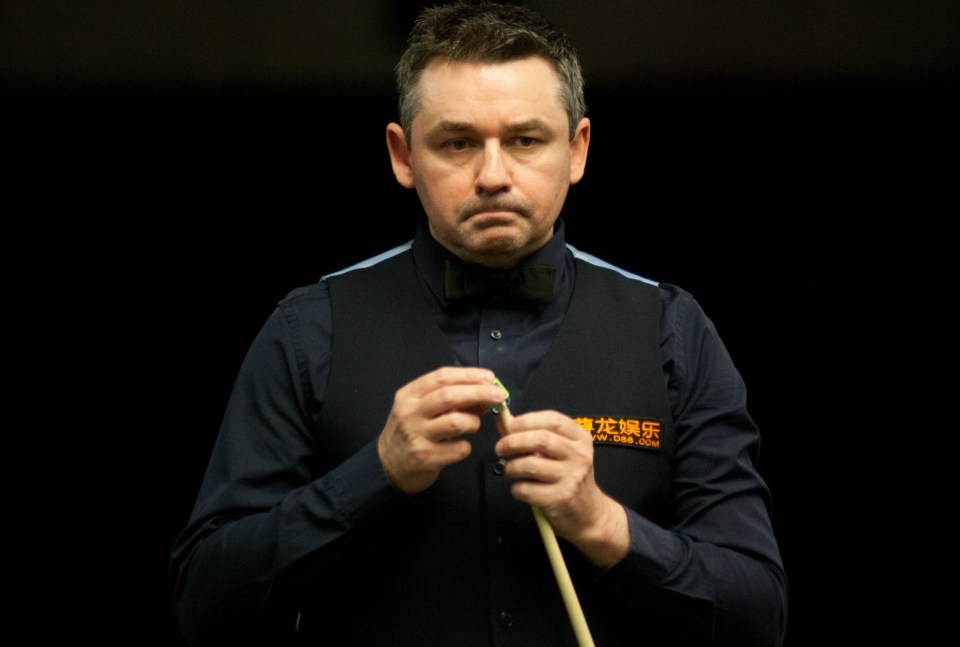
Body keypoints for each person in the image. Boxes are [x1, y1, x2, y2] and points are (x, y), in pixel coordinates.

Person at [169, 2, 788, 645]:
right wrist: (374, 475)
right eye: (458, 142)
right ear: (403, 155)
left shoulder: (672, 330)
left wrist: (603, 524)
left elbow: (759, 617)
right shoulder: (308, 329)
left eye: (525, 140)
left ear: (576, 150)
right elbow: (205, 604)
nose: (492, 175)